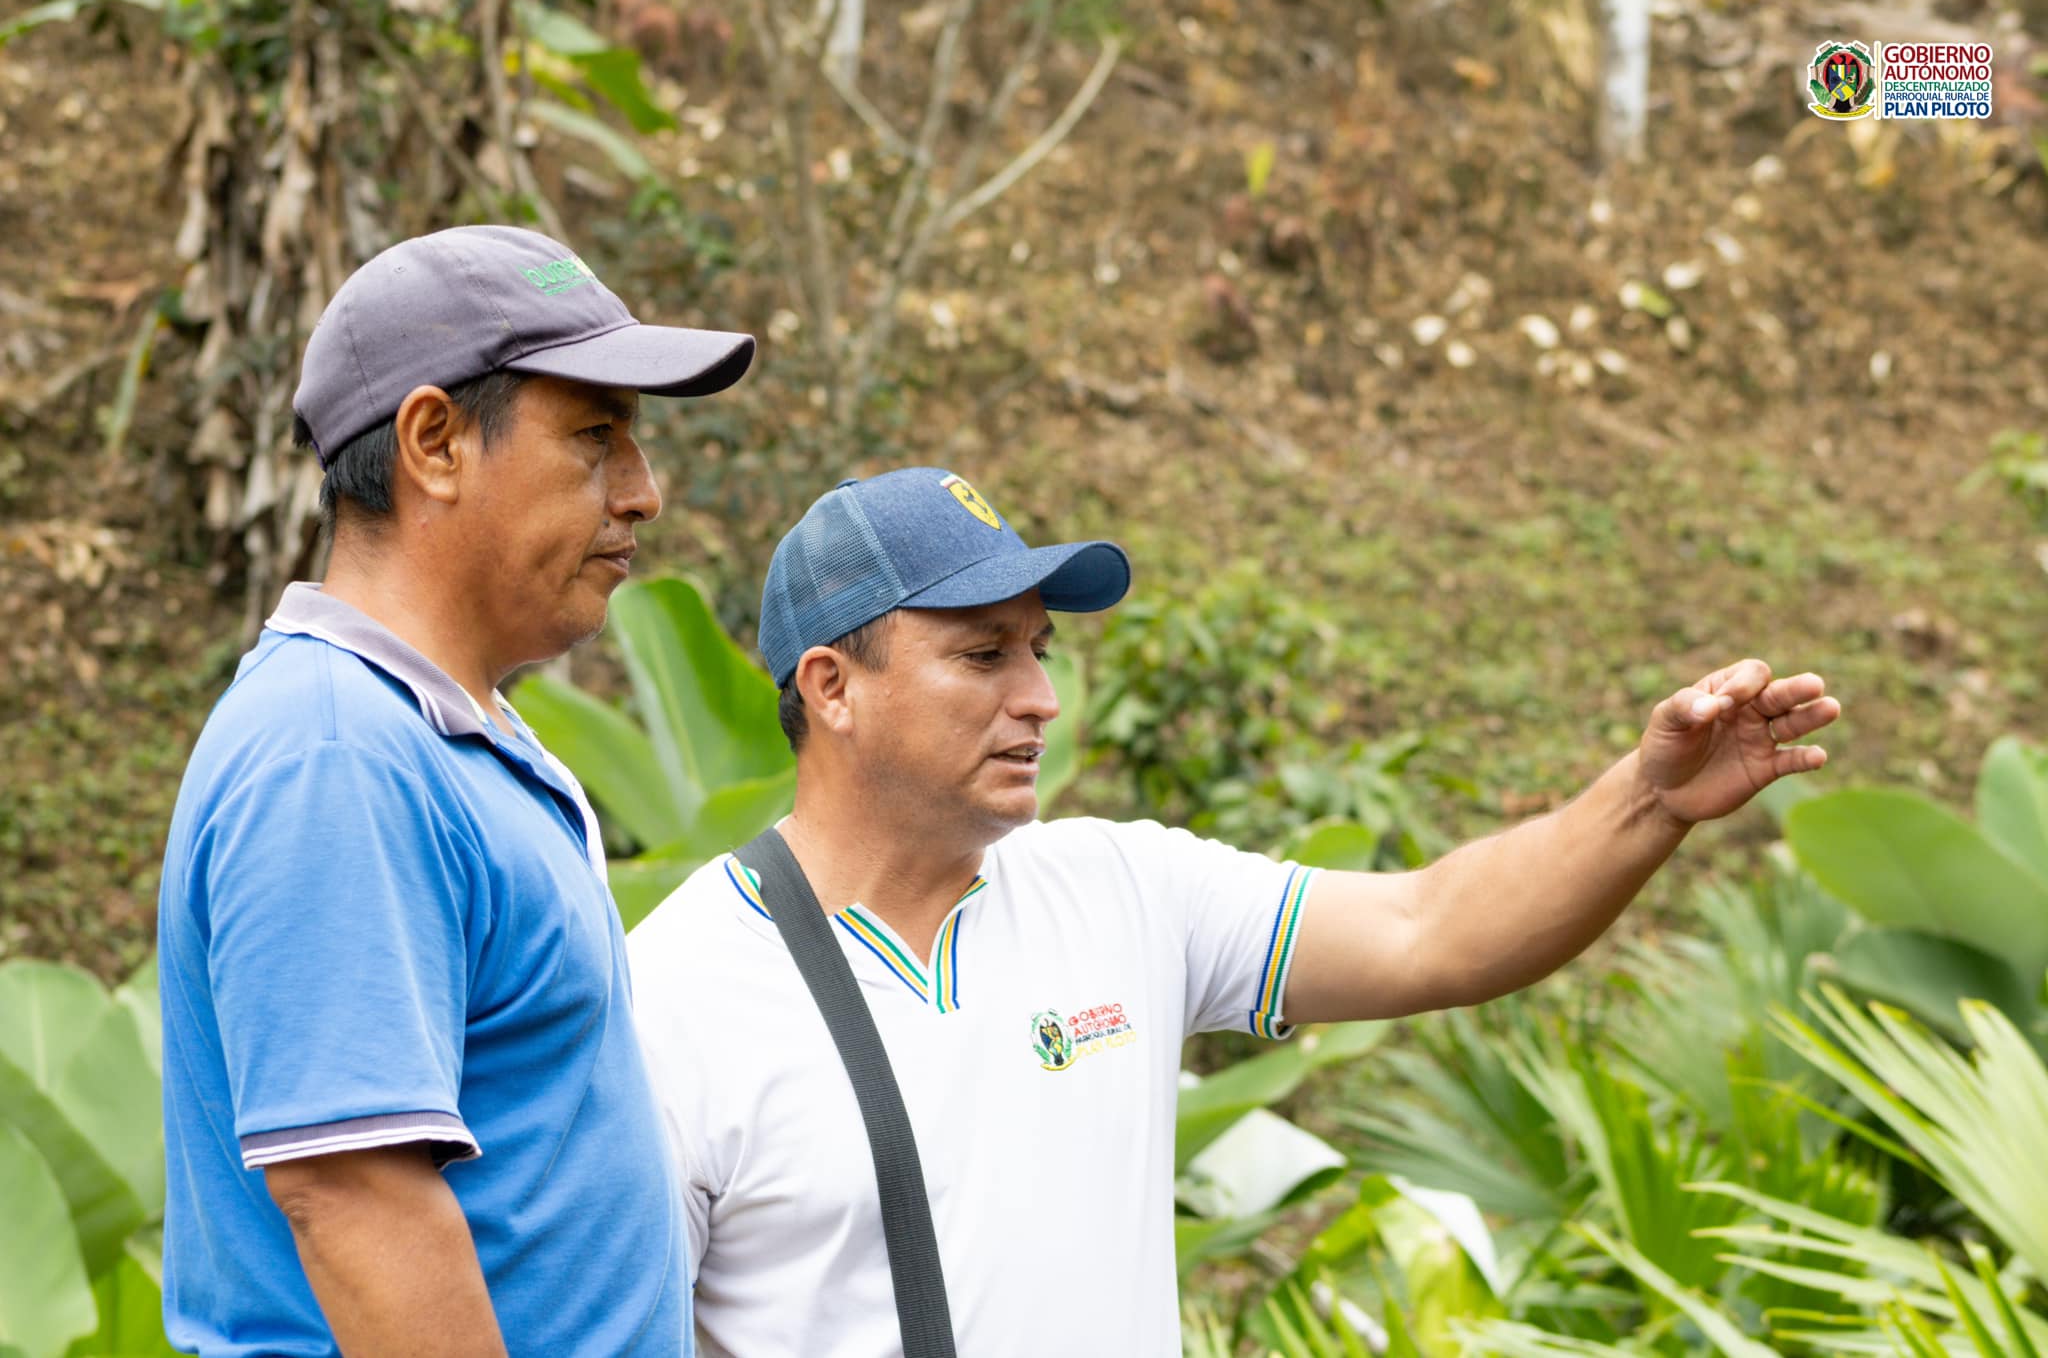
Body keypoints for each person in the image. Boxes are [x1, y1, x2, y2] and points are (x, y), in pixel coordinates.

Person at [627, 466, 1841, 1356]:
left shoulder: (1119, 889)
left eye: (1038, 649)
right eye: (984, 656)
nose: (1041, 696)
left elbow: (1431, 929)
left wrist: (1646, 800)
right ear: (832, 687)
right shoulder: (677, 991)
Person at [156, 225, 754, 1356]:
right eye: (595, 437)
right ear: (435, 443)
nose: (644, 492)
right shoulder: (336, 756)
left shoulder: (438, 734)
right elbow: (356, 1199)